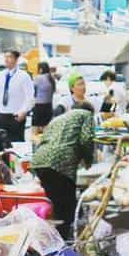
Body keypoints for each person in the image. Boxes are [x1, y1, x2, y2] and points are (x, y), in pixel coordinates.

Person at [31, 100, 95, 241]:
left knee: (55, 206)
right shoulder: (86, 115)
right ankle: (64, 245)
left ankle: (52, 243)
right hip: (60, 164)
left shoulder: (58, 119)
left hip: (39, 161)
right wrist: (89, 160)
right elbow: (86, 139)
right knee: (67, 209)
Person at [0, 49, 34, 143]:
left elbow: (30, 96)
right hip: (1, 114)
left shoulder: (24, 76)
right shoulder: (1, 75)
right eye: (5, 57)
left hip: (15, 116)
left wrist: (23, 111)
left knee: (15, 142)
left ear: (16, 59)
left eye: (9, 57)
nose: (6, 59)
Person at [32, 61, 55, 134]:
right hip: (49, 106)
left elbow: (32, 89)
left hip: (39, 106)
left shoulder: (38, 78)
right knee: (46, 128)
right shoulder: (51, 78)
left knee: (35, 128)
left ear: (40, 69)